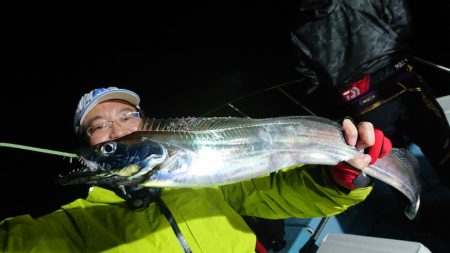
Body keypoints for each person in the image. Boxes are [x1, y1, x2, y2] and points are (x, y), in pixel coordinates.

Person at [0, 86, 391, 252]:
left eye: (127, 116)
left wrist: (339, 179)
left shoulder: (206, 180)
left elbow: (277, 195)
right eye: (99, 127)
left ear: (146, 125)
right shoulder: (79, 221)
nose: (117, 129)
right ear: (89, 145)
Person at [289, 0, 450, 187]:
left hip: (361, 106)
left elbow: (312, 80)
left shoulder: (296, 29)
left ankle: (413, 214)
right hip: (402, 84)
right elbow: (403, 24)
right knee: (443, 152)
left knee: (395, 171)